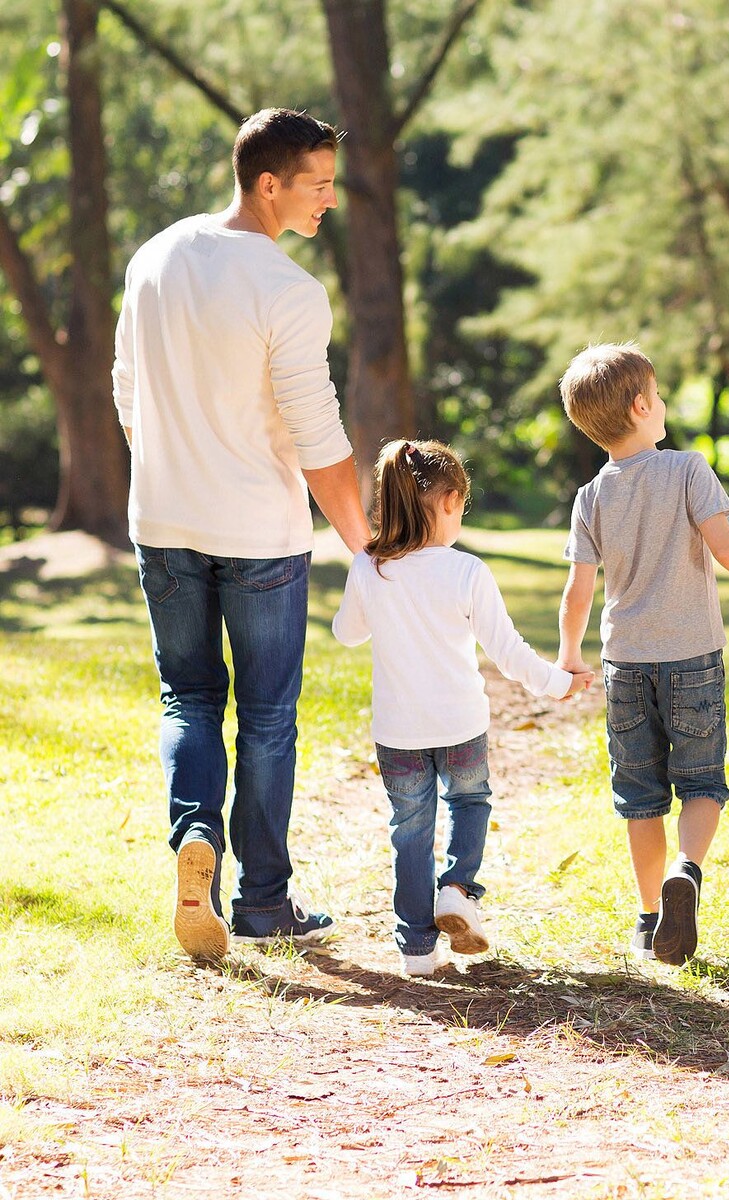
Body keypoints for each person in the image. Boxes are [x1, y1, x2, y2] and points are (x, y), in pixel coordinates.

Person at [113, 108, 371, 963]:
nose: (330, 198)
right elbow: (317, 434)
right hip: (260, 533)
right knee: (266, 716)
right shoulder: (287, 289)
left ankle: (197, 839)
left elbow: (126, 389)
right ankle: (262, 904)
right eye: (318, 184)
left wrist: (170, 471)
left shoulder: (154, 257)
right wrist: (364, 544)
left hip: (162, 522)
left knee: (188, 699)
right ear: (268, 184)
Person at [556, 343, 729, 965]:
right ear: (642, 407)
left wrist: (569, 655)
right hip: (692, 658)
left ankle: (648, 921)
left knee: (640, 796)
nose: (663, 403)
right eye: (660, 394)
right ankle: (686, 871)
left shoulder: (590, 497)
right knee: (702, 781)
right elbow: (728, 549)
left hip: (625, 665)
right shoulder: (689, 469)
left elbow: (578, 590)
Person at [333, 440, 593, 975]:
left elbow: (346, 634)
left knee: (410, 829)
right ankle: (456, 889)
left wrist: (369, 588)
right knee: (470, 801)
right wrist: (557, 685)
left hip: (398, 732)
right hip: (460, 724)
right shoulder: (467, 571)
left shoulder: (369, 568)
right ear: (450, 501)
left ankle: (416, 949)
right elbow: (508, 652)